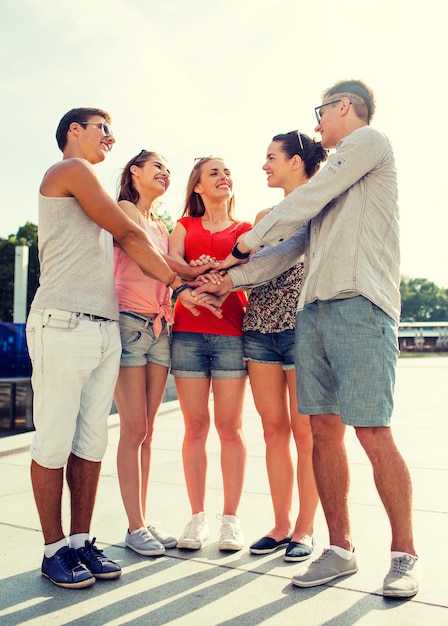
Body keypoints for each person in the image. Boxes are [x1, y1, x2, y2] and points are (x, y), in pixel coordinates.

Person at [195, 80, 419, 598]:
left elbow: (304, 200)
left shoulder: (367, 143)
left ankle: (405, 554)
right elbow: (291, 246)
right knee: (322, 431)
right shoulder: (333, 182)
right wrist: (226, 281)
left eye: (321, 112)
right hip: (313, 312)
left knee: (371, 431)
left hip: (361, 304)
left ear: (345, 107)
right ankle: (338, 550)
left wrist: (239, 245)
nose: (318, 124)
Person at [25, 109, 222, 589]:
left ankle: (79, 541)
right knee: (53, 437)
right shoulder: (70, 171)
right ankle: (53, 549)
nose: (111, 138)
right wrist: (180, 284)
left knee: (92, 439)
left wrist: (194, 274)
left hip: (104, 324)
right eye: (102, 128)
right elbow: (131, 236)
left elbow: (146, 243)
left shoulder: (89, 180)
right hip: (61, 320)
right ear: (75, 131)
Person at [245, 131, 327, 562]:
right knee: (273, 430)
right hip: (259, 327)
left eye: (271, 157)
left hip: (302, 327)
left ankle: (305, 527)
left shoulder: (322, 202)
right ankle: (280, 524)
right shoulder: (265, 214)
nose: (265, 165)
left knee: (306, 432)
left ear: (296, 161)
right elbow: (251, 268)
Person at [169, 156, 252, 551]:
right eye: (214, 172)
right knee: (195, 428)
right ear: (198, 187)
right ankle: (197, 518)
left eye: (227, 171)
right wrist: (192, 278)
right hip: (186, 334)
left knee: (230, 429)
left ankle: (231, 521)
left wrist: (222, 274)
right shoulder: (183, 226)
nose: (224, 176)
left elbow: (253, 278)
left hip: (232, 335)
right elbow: (169, 268)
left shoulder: (246, 229)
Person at [113, 150, 178, 557]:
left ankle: (143, 519)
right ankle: (134, 526)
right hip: (130, 321)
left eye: (168, 169)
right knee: (133, 428)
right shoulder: (124, 210)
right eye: (157, 166)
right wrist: (185, 275)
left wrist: (198, 269)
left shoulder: (161, 224)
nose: (165, 173)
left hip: (160, 325)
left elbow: (168, 260)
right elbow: (145, 256)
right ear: (134, 172)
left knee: (148, 430)